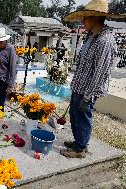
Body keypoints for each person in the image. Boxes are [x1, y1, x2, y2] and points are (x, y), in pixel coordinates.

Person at [60, 0, 125, 158]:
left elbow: (100, 73)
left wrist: (88, 96)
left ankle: (80, 149)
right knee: (75, 115)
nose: (83, 21)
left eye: (86, 18)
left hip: (89, 90)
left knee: (83, 116)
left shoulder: (105, 41)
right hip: (79, 85)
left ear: (96, 19)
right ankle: (78, 142)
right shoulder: (91, 36)